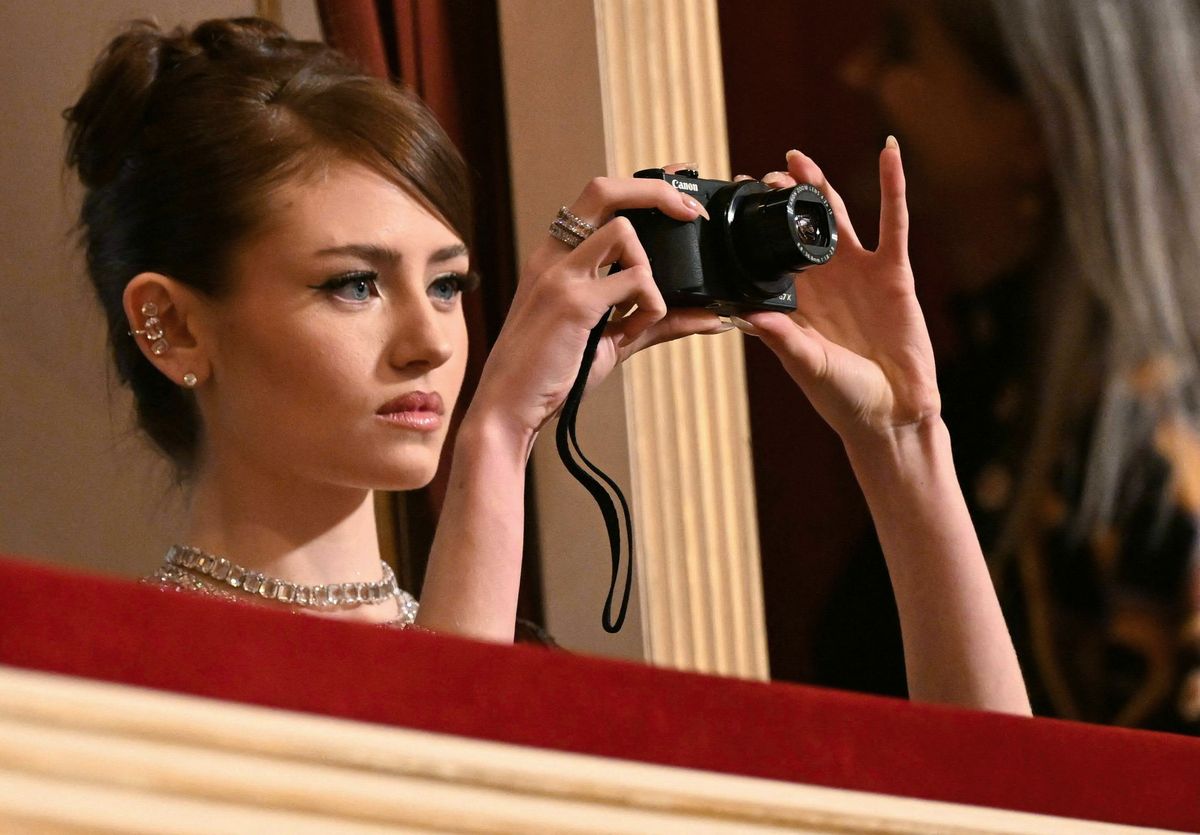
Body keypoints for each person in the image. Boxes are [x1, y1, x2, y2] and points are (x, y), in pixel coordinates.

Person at [65, 17, 1029, 714]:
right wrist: (495, 436)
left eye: (448, 285)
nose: (433, 341)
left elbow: (1004, 811)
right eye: (353, 286)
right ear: (174, 328)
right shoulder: (127, 694)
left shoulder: (533, 674)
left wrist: (905, 445)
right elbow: (436, 803)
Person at [817, 0, 1200, 732]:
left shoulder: (1156, 464)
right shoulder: (966, 397)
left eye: (901, 48)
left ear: (1034, 125)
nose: (857, 70)